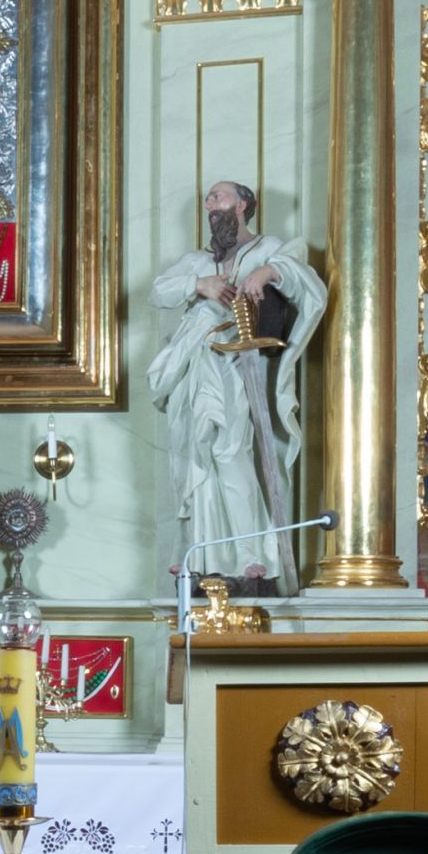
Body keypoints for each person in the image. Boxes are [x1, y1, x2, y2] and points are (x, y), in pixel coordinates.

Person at [148, 179, 326, 594]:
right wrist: (200, 284)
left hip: (236, 362)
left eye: (219, 196)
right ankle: (198, 554)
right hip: (195, 364)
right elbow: (159, 291)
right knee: (195, 455)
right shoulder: (197, 261)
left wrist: (267, 272)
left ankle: (250, 554)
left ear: (243, 204)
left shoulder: (267, 248)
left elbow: (305, 280)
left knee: (230, 450)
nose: (210, 203)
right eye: (208, 199)